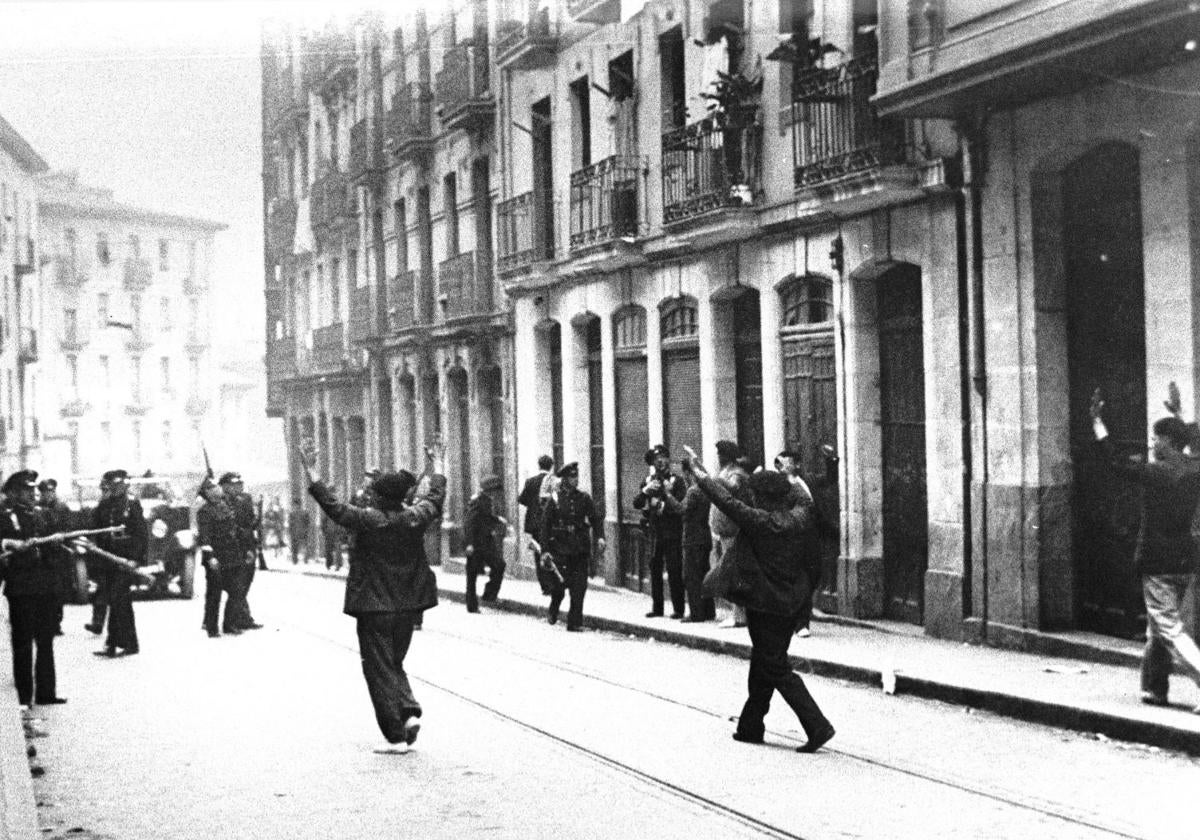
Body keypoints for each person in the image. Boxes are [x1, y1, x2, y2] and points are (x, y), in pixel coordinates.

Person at [686, 445, 836, 753]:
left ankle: (817, 724)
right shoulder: (802, 517)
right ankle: (750, 724)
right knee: (764, 659)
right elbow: (814, 563)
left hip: (764, 603)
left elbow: (725, 501)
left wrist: (699, 473)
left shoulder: (759, 521)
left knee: (774, 664)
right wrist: (803, 595)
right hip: (791, 603)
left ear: (764, 497)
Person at [300, 441, 446, 755]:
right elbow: (436, 498)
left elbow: (333, 506)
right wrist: (439, 464)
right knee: (393, 662)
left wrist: (311, 469)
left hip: (374, 606)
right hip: (408, 606)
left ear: (377, 497)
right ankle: (407, 712)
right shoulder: (414, 517)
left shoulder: (368, 519)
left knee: (377, 668)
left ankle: (395, 736)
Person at [1090, 388, 1200, 711]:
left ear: (1167, 442)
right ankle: (1154, 688)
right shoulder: (1194, 470)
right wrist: (1179, 416)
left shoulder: (1154, 473)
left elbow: (1115, 461)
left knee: (1168, 627)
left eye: (1156, 439)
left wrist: (1098, 422)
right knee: (1158, 627)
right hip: (1183, 561)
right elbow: (1194, 440)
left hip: (1156, 560)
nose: (1152, 444)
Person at [1, 470, 68, 706]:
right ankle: (24, 696)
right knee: (23, 644)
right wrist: (11, 544)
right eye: (26, 490)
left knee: (46, 641)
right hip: (22, 590)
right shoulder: (6, 517)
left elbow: (56, 551)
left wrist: (56, 543)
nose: (31, 494)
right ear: (15, 493)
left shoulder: (43, 516)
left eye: (32, 490)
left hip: (45, 589)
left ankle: (46, 693)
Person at [539, 462, 605, 632]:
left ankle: (574, 622)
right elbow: (545, 525)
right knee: (559, 588)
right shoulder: (555, 499)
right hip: (560, 549)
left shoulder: (584, 498)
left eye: (576, 476)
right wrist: (545, 550)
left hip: (579, 548)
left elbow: (595, 518)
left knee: (579, 587)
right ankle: (554, 609)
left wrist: (600, 537)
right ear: (565, 480)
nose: (576, 480)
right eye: (572, 477)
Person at [90, 469, 147, 657]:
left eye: (119, 486)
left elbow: (140, 534)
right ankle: (116, 643)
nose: (116, 489)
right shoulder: (103, 506)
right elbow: (97, 531)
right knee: (116, 601)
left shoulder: (132, 505)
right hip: (108, 560)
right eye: (112, 486)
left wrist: (136, 560)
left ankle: (126, 643)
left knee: (118, 598)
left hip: (126, 560)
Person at [633, 445, 686, 619]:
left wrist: (663, 504)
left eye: (664, 457)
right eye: (657, 459)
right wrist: (645, 491)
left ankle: (678, 608)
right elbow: (637, 504)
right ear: (653, 463)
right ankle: (657, 607)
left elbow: (682, 505)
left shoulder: (676, 481)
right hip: (655, 533)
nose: (661, 461)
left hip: (672, 531)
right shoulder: (648, 480)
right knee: (654, 568)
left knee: (674, 568)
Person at [710, 440, 749, 629]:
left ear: (728, 456)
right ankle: (737, 613)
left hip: (733, 530)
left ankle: (739, 616)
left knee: (734, 572)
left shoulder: (737, 474)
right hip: (724, 531)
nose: (718, 457)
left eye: (721, 454)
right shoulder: (725, 472)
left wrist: (714, 480)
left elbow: (733, 487)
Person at [196, 478, 240, 638]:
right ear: (208, 492)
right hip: (216, 558)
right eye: (213, 488)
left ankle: (229, 624)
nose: (218, 489)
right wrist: (210, 557)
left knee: (236, 591)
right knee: (215, 594)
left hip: (231, 556)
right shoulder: (205, 511)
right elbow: (205, 538)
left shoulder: (225, 506)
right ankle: (212, 627)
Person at [220, 472, 263, 631]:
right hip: (232, 547)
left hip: (247, 544)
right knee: (236, 585)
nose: (237, 487)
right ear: (224, 486)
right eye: (233, 485)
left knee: (246, 581)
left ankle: (242, 617)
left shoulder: (245, 499)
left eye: (239, 484)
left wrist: (257, 516)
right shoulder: (221, 502)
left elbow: (251, 521)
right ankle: (237, 618)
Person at [463, 475, 508, 613]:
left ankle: (489, 595)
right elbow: (470, 522)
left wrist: (497, 519)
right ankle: (472, 606)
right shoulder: (477, 500)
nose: (497, 493)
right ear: (490, 490)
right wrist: (469, 543)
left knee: (499, 565)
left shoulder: (486, 500)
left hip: (486, 541)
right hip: (476, 543)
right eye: (495, 490)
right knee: (472, 575)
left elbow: (485, 517)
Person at [37, 478, 76, 636]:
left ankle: (56, 623)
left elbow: (69, 528)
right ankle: (45, 623)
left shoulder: (62, 507)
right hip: (43, 556)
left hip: (59, 555)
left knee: (58, 591)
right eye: (46, 492)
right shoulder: (36, 508)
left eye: (51, 492)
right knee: (43, 591)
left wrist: (62, 538)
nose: (49, 495)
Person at [680, 465, 715, 622]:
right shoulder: (705, 489)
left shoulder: (693, 491)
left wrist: (667, 495)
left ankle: (696, 613)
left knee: (692, 576)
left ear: (688, 473)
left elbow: (682, 511)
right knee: (703, 573)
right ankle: (709, 610)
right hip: (704, 536)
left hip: (693, 538)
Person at [518, 454, 555, 593]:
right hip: (550, 524)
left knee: (538, 553)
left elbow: (522, 500)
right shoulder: (553, 482)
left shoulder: (530, 481)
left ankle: (544, 585)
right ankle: (553, 582)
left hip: (535, 524)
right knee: (550, 550)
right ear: (551, 466)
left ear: (538, 466)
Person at [289, 497, 311, 564]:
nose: (295, 506)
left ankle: (295, 561)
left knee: (295, 547)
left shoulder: (292, 513)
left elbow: (291, 524)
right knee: (304, 546)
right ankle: (305, 560)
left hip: (295, 532)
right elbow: (308, 523)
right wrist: (306, 530)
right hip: (303, 532)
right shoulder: (305, 513)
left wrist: (290, 532)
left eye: (294, 505)